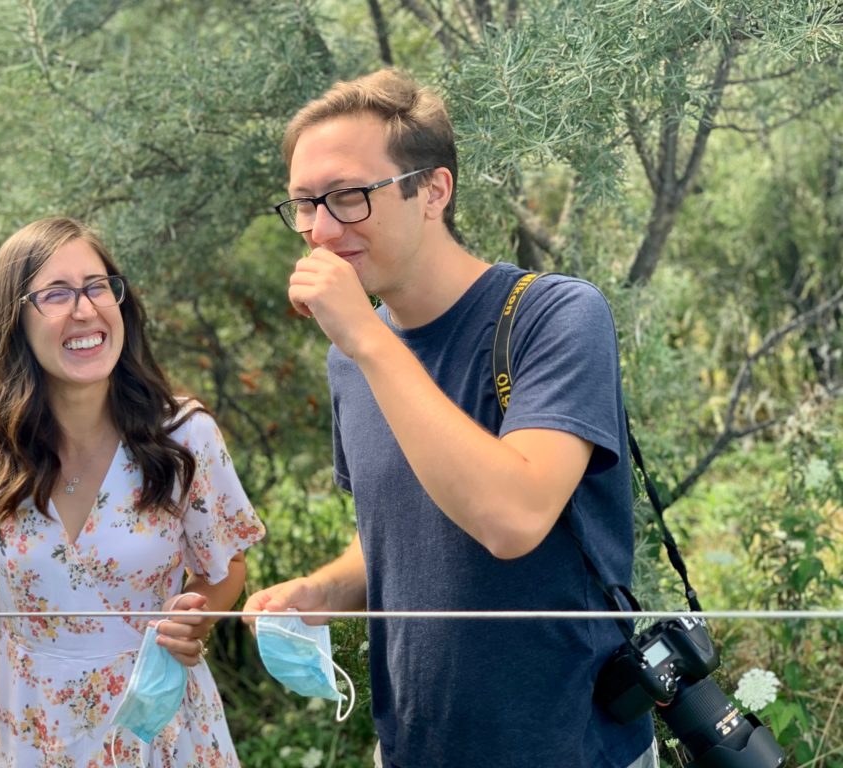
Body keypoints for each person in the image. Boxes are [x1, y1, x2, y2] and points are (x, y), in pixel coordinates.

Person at [243, 69, 656, 768]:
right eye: (305, 204)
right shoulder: (351, 360)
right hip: (412, 750)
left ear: (433, 190)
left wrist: (370, 343)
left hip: (570, 751)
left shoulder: (553, 316)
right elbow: (402, 540)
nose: (319, 229)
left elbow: (512, 517)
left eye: (348, 197)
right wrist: (323, 589)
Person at [0, 217, 265, 767]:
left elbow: (226, 567)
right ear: (15, 319)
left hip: (164, 737)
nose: (85, 308)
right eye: (56, 294)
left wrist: (195, 617)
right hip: (29, 736)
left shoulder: (184, 435)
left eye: (98, 287)